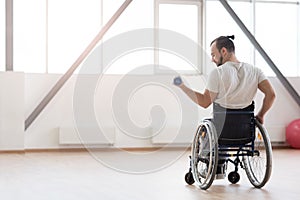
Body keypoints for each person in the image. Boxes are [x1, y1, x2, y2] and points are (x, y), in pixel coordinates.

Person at [174, 35, 275, 124]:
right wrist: (261, 115)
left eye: (213, 55)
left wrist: (182, 86)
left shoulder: (217, 73)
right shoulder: (256, 71)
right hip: (245, 131)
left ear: (223, 51)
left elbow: (205, 102)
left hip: (222, 131)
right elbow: (271, 95)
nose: (212, 59)